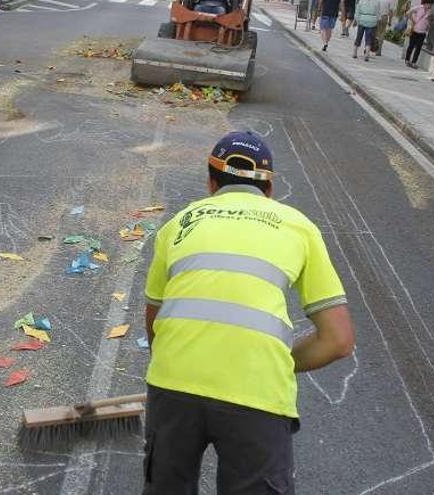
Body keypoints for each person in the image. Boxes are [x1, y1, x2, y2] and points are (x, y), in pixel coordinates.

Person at [142, 131, 356, 495]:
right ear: (269, 190)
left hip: (173, 383)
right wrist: (276, 360)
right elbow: (338, 341)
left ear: (211, 183)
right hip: (256, 391)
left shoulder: (178, 223)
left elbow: (154, 322)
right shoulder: (299, 227)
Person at [405, 0, 432, 68]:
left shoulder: (430, 11)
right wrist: (412, 19)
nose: (429, 5)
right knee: (411, 45)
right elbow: (408, 13)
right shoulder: (419, 8)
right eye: (428, 4)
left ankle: (414, 62)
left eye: (430, 4)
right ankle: (407, 60)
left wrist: (428, 26)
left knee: (418, 48)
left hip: (422, 32)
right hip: (415, 30)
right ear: (425, 3)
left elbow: (430, 21)